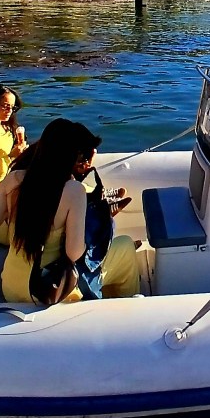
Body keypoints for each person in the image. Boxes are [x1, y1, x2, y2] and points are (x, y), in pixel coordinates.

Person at [0, 118, 139, 303]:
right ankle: (125, 307)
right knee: (124, 246)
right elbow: (74, 253)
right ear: (76, 159)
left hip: (11, 287)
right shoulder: (74, 191)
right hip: (48, 290)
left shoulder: (13, 180)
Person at [70, 127, 140, 299]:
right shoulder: (70, 193)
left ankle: (100, 208)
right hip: (50, 284)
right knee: (125, 246)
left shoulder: (23, 181)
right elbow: (74, 252)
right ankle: (129, 308)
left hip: (14, 279)